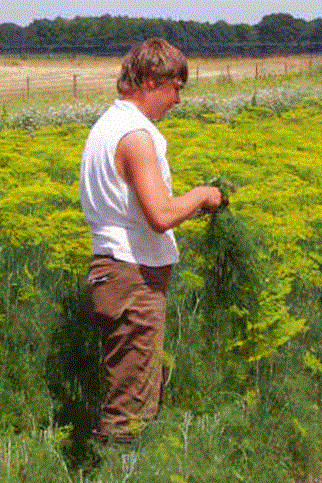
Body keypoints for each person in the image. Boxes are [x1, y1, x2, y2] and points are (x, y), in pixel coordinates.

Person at [79, 38, 225, 443]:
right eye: (175, 87)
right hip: (132, 278)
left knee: (132, 388)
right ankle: (119, 469)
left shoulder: (107, 125)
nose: (178, 100)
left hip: (112, 274)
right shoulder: (137, 136)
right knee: (132, 406)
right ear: (148, 80)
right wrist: (203, 195)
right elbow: (159, 216)